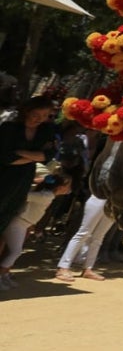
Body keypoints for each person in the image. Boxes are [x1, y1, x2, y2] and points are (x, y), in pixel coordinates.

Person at [0, 96, 59, 260]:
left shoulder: (46, 131)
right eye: (36, 114)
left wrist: (20, 153)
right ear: (27, 111)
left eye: (45, 115)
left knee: (5, 220)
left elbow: (48, 155)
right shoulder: (9, 128)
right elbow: (4, 158)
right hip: (3, 178)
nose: (39, 119)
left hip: (21, 181)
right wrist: (35, 156)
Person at [0, 172, 73, 289]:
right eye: (68, 185)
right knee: (15, 251)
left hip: (23, 224)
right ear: (60, 187)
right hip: (18, 223)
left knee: (14, 251)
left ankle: (4, 275)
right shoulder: (46, 195)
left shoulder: (49, 195)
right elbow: (24, 195)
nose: (69, 188)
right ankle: (2, 275)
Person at [55, 193, 117, 282]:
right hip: (100, 198)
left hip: (116, 203)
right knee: (83, 233)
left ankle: (88, 269)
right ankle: (63, 267)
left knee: (99, 237)